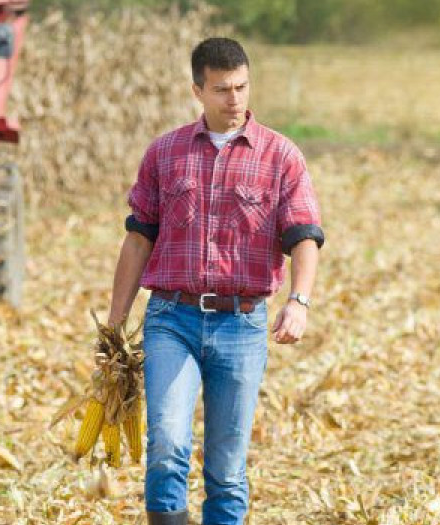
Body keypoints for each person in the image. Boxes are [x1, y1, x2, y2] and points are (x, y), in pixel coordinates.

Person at [107, 37, 324, 525]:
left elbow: (304, 236)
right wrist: (115, 323)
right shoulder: (165, 153)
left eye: (242, 87)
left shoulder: (282, 156)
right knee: (166, 442)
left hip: (242, 326)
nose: (235, 100)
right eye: (222, 89)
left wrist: (300, 301)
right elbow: (138, 239)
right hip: (171, 318)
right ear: (197, 91)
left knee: (226, 468)